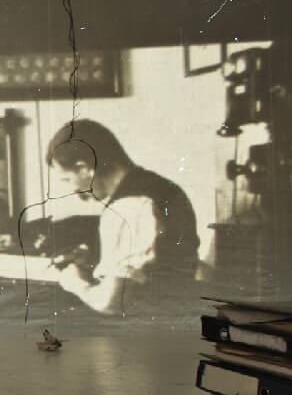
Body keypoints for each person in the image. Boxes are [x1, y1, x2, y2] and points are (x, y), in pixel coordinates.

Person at [43, 120, 200, 316]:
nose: (73, 190)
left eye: (67, 179)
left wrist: (75, 283)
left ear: (84, 168)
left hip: (146, 331)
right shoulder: (164, 189)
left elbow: (110, 304)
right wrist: (93, 258)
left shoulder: (128, 207)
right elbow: (159, 259)